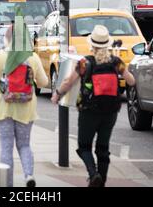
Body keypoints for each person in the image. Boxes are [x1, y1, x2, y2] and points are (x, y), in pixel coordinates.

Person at [51, 25, 136, 187]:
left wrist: (57, 94)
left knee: (84, 146)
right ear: (107, 44)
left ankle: (93, 173)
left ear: (93, 44)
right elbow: (131, 81)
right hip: (111, 111)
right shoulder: (116, 62)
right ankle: (101, 181)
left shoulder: (85, 63)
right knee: (103, 148)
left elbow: (69, 82)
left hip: (89, 110)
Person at [0, 16, 48, 187]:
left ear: (6, 37)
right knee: (24, 145)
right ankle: (28, 174)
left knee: (6, 147)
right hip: (26, 108)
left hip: (3, 108)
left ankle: (7, 185)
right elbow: (44, 82)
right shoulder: (33, 57)